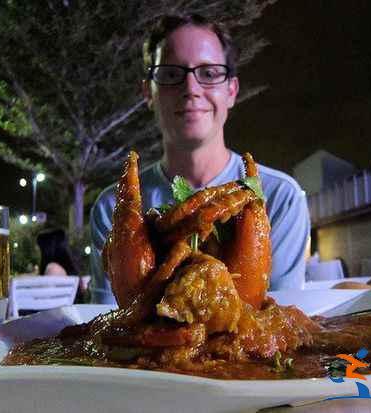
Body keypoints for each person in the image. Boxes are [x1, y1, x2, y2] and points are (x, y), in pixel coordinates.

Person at [90, 14, 310, 304]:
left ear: (231, 90)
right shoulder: (112, 208)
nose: (191, 89)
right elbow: (107, 323)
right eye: (170, 74)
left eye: (209, 73)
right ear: (148, 92)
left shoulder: (281, 197)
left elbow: (281, 315)